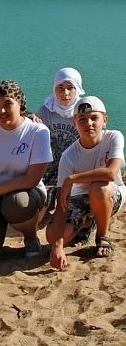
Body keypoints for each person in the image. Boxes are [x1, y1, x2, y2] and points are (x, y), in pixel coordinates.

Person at [0, 80, 52, 258]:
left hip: (26, 193)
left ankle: (31, 237)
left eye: (8, 104)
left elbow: (31, 180)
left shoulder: (38, 132)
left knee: (16, 203)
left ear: (20, 103)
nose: (1, 111)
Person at [46, 97, 126, 269]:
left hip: (110, 194)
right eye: (82, 119)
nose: (88, 123)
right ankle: (87, 224)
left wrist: (72, 179)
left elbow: (111, 173)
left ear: (105, 120)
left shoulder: (113, 137)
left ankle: (103, 236)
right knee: (52, 237)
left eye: (94, 118)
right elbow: (62, 203)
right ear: (74, 122)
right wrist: (57, 246)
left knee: (99, 187)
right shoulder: (69, 155)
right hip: (80, 198)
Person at [35, 67, 84, 213]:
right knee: (39, 201)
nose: (65, 93)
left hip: (74, 168)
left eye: (70, 88)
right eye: (60, 88)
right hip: (48, 168)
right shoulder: (45, 111)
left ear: (78, 88)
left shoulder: (84, 112)